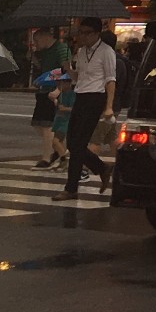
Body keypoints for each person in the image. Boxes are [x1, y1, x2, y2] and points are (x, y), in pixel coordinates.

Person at [54, 18, 117, 200]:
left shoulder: (106, 52)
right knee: (73, 143)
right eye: (80, 32)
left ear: (97, 33)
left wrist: (109, 106)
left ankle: (71, 187)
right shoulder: (81, 52)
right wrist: (68, 68)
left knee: (79, 143)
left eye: (87, 33)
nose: (83, 36)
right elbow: (77, 77)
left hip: (95, 98)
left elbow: (110, 80)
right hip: (80, 96)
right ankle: (101, 168)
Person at [30, 27, 70, 169]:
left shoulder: (61, 49)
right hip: (44, 91)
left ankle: (50, 157)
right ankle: (59, 152)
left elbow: (66, 70)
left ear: (44, 37)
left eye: (36, 40)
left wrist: (58, 90)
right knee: (38, 123)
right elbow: (45, 69)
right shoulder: (44, 52)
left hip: (53, 91)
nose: (35, 44)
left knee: (47, 125)